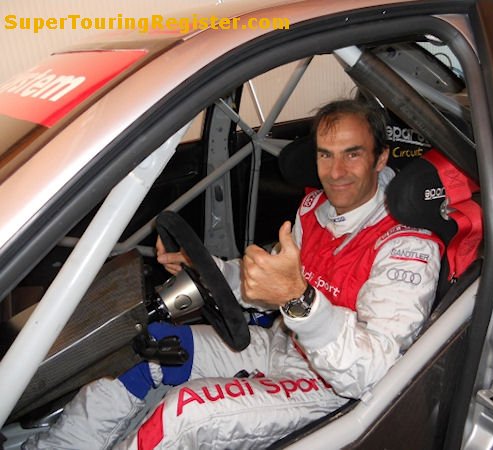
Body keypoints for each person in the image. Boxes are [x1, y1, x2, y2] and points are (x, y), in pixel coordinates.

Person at [24, 99, 442, 449]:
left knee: (180, 413)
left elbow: (373, 374)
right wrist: (201, 266)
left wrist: (299, 300)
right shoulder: (314, 208)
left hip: (329, 388)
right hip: (278, 344)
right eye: (325, 154)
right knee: (145, 348)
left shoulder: (407, 246)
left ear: (381, 157)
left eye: (353, 153)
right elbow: (265, 280)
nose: (336, 172)